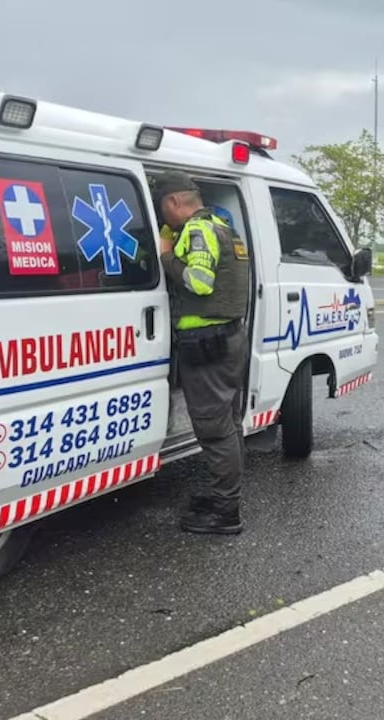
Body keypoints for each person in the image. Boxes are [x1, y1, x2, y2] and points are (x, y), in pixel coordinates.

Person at [153, 172, 251, 535]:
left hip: (209, 344)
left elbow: (199, 281)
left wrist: (166, 256)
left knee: (215, 429)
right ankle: (225, 496)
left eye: (163, 208)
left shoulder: (198, 230)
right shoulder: (222, 227)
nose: (164, 216)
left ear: (174, 202)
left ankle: (226, 512)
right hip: (227, 339)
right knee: (229, 423)